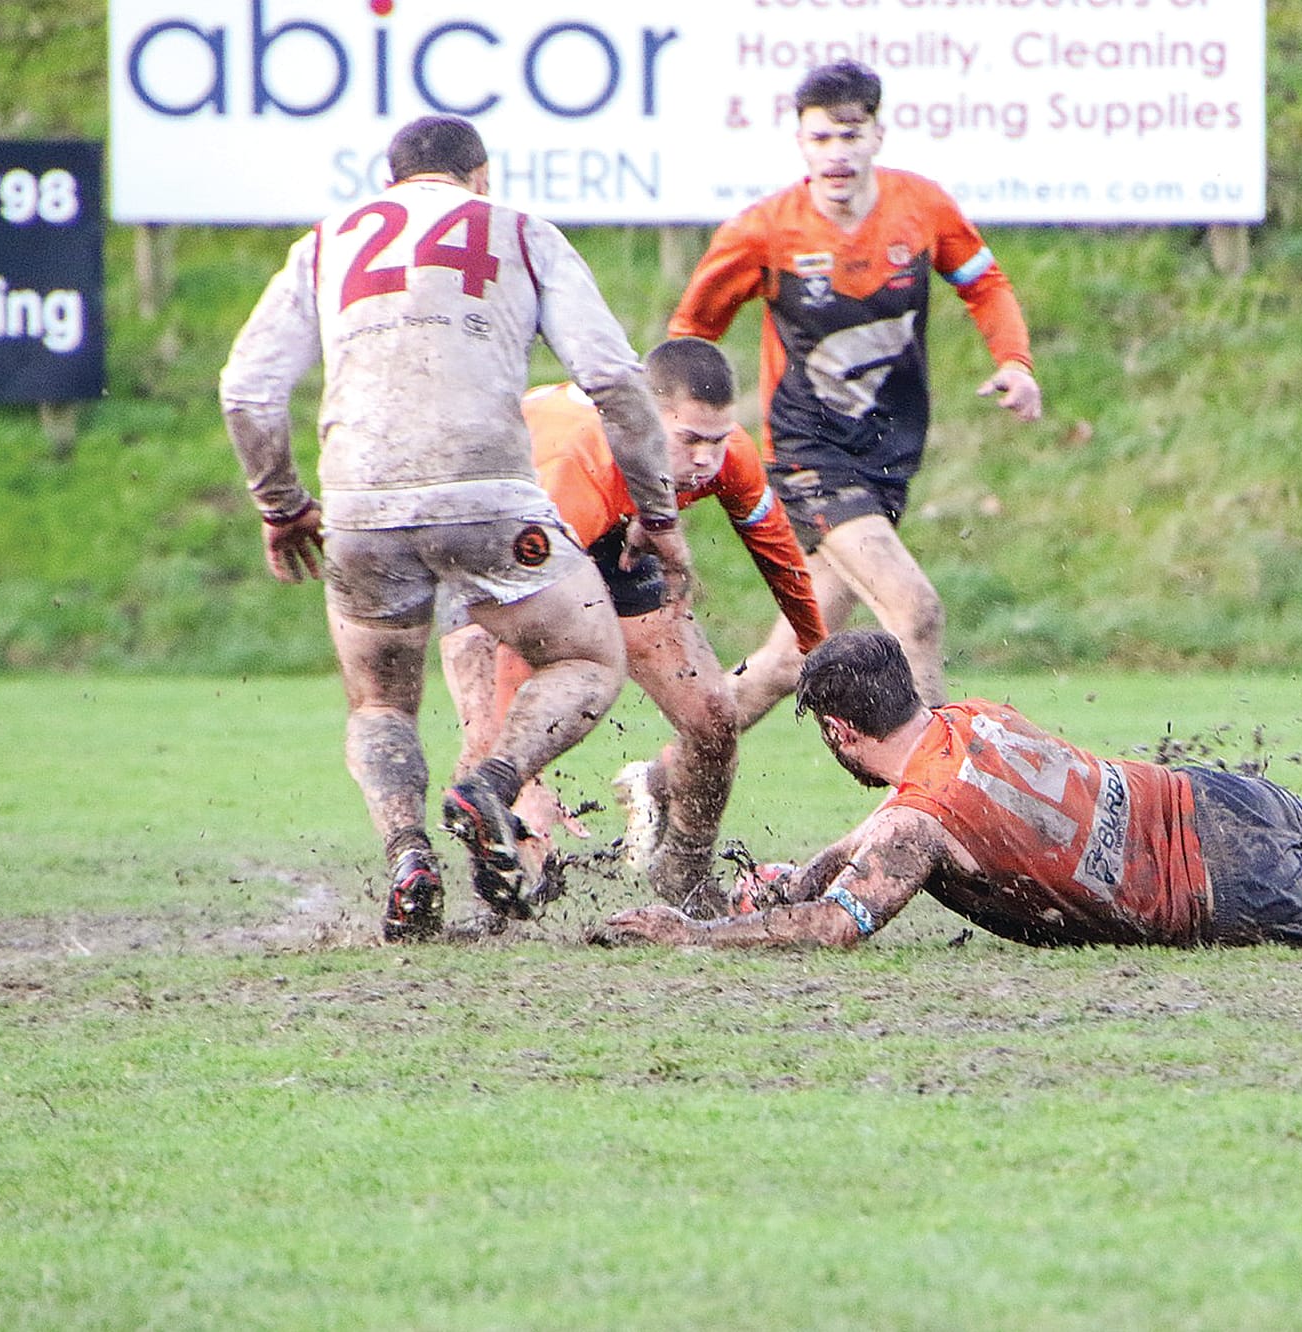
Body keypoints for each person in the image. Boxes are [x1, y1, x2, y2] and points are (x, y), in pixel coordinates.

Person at [220, 114, 690, 943]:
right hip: (493, 499)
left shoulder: (326, 243)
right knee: (586, 656)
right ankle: (494, 781)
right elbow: (616, 380)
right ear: (481, 176)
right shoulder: (518, 229)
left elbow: (247, 392)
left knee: (380, 704)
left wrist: (282, 503)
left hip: (362, 507)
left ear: (391, 180)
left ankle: (408, 854)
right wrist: (657, 512)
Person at [596, 630, 1302, 952]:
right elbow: (871, 840)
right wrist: (800, 868)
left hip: (1216, 883)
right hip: (1210, 797)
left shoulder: (919, 819)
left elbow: (833, 929)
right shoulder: (963, 722)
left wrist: (685, 935)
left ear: (840, 730)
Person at [665, 58, 1041, 738]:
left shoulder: (920, 209)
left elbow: (986, 285)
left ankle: (664, 779)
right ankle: (938, 798)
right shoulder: (765, 231)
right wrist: (685, 432)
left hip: (886, 458)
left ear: (877, 134)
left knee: (787, 660)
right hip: (809, 454)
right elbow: (689, 335)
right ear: (800, 144)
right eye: (819, 139)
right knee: (915, 610)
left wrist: (1014, 363)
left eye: (849, 134)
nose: (835, 154)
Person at [440, 336, 827, 913]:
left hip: (621, 527)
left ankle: (686, 874)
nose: (705, 459)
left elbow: (777, 552)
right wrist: (524, 776)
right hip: (494, 540)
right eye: (690, 440)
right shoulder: (576, 467)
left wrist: (818, 653)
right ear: (642, 420)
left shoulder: (724, 452)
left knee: (713, 716)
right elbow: (520, 638)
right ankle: (501, 886)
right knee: (491, 742)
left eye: (716, 440)